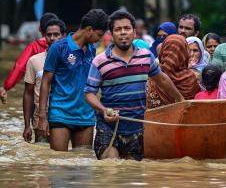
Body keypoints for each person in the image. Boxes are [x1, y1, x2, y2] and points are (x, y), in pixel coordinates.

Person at [84, 10, 184, 160]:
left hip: (138, 128)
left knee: (134, 173)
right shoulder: (100, 61)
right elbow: (89, 93)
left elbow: (162, 79)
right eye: (118, 29)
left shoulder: (146, 56)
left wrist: (182, 101)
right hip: (109, 126)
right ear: (111, 34)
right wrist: (103, 109)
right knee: (111, 167)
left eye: (127, 28)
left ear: (134, 32)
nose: (123, 33)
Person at [37, 9, 108, 151]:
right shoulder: (58, 48)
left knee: (82, 164)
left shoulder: (92, 50)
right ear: (89, 30)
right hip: (60, 114)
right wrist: (42, 116)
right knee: (58, 164)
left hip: (86, 116)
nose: (100, 39)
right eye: (99, 35)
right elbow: (45, 82)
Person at [22, 19, 66, 143]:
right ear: (44, 36)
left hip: (66, 116)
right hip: (41, 119)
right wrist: (27, 126)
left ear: (64, 36)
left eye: (56, 34)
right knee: (42, 155)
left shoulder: (71, 60)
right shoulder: (34, 61)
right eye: (49, 35)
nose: (52, 38)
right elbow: (28, 93)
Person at [0, 13, 58, 104]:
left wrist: (6, 87)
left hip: (39, 97)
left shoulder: (34, 47)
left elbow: (19, 68)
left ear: (39, 29)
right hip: (61, 99)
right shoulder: (65, 46)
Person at [147, 35, 200, 109]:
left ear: (163, 51)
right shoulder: (191, 79)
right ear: (185, 53)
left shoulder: (153, 76)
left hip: (152, 120)